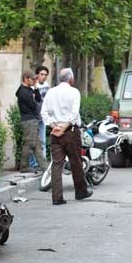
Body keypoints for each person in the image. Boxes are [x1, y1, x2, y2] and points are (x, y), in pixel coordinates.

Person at [41, 68, 92, 205]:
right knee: (76, 161)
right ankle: (81, 192)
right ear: (71, 79)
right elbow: (74, 113)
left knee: (57, 164)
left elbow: (43, 112)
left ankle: (57, 197)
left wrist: (54, 126)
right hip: (71, 131)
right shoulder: (74, 92)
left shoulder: (51, 92)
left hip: (55, 132)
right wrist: (64, 127)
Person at [16, 70, 48, 173]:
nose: (35, 81)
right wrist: (34, 100)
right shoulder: (23, 92)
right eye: (33, 79)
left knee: (37, 144)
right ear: (26, 79)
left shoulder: (29, 89)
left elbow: (38, 99)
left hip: (33, 119)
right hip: (28, 120)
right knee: (29, 144)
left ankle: (44, 167)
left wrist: (35, 88)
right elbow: (34, 106)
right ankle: (24, 167)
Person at [29, 66, 51, 169]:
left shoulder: (47, 86)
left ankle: (42, 163)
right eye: (42, 74)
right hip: (33, 117)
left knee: (42, 141)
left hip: (42, 117)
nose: (44, 77)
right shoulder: (33, 86)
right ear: (37, 75)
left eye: (46, 75)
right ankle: (33, 164)